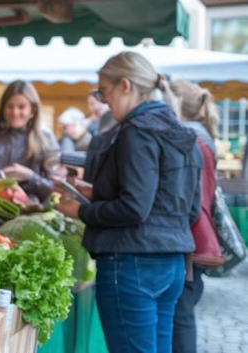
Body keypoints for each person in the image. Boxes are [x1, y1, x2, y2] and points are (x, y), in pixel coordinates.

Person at [55, 52, 201, 353]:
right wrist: (98, 193)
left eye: (103, 91)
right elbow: (188, 208)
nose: (103, 100)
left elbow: (136, 207)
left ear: (125, 86)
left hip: (132, 264)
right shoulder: (180, 133)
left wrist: (81, 209)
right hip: (172, 262)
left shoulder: (137, 133)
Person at [171, 80, 225, 353]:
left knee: (181, 316)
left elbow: (190, 203)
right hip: (194, 236)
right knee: (182, 314)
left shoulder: (190, 138)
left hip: (189, 238)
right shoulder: (202, 136)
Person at [0, 80, 59, 204]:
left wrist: (30, 176)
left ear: (33, 110)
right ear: (3, 107)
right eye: (10, 106)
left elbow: (55, 188)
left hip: (28, 212)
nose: (15, 112)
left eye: (21, 107)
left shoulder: (45, 138)